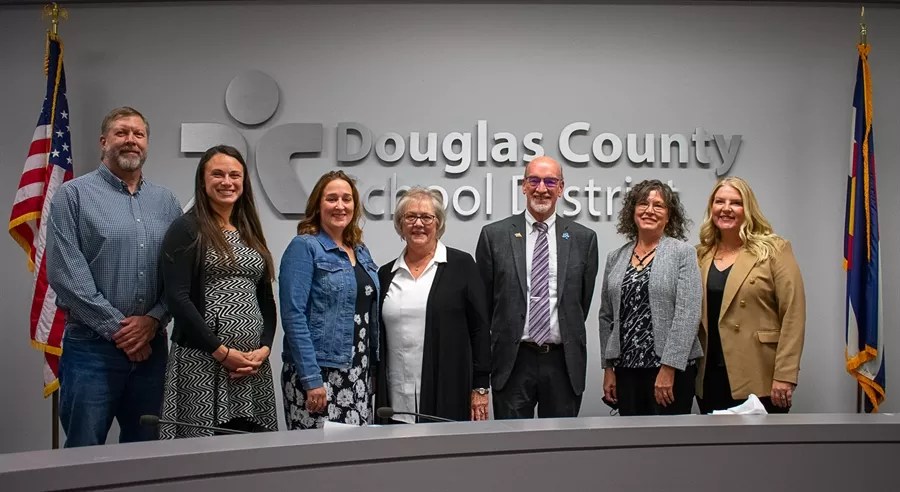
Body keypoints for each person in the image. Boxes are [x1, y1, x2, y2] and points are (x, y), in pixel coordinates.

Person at [46, 107, 182, 447]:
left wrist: (154, 320)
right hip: (91, 349)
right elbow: (66, 274)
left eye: (139, 134)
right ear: (103, 142)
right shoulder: (73, 196)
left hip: (152, 349)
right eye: (122, 133)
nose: (131, 140)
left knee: (146, 452)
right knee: (84, 451)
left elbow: (178, 274)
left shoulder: (166, 202)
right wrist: (120, 331)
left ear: (147, 143)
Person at [158, 145, 277, 437]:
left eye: (235, 175)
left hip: (251, 366)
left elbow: (266, 299)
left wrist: (264, 348)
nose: (227, 181)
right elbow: (177, 298)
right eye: (218, 174)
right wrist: (221, 352)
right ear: (202, 180)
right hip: (202, 361)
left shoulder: (249, 230)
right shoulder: (186, 228)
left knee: (250, 451)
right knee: (202, 452)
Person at [475, 156, 599, 419]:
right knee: (511, 441)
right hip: (513, 361)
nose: (541, 188)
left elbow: (580, 303)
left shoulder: (583, 239)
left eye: (550, 181)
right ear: (523, 186)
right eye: (534, 180)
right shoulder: (494, 236)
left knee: (561, 441)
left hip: (562, 362)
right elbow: (484, 306)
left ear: (561, 188)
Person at [376, 187, 491, 423]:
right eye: (411, 217)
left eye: (427, 217)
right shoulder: (386, 274)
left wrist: (480, 386)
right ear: (400, 224)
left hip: (448, 391)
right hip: (396, 392)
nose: (418, 223)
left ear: (438, 223)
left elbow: (480, 329)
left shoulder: (462, 265)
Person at [695, 177, 806, 414]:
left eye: (735, 203)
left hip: (760, 374)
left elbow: (793, 314)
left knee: (761, 440)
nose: (726, 208)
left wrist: (785, 375)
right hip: (709, 376)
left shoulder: (774, 250)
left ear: (748, 208)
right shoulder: (700, 254)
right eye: (719, 201)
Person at [279, 170, 380, 429]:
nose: (340, 205)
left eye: (347, 199)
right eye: (331, 199)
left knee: (357, 451)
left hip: (358, 371)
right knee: (318, 451)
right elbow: (293, 316)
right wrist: (311, 379)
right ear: (317, 205)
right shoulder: (304, 247)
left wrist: (372, 371)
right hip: (319, 374)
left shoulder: (360, 251)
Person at [598, 179, 701, 416]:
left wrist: (669, 367)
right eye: (643, 203)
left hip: (670, 372)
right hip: (626, 371)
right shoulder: (616, 257)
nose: (649, 210)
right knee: (631, 438)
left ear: (669, 215)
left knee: (668, 437)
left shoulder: (683, 253)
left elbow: (688, 314)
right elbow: (606, 316)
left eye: (659, 205)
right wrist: (608, 367)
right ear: (632, 210)